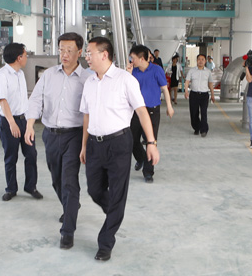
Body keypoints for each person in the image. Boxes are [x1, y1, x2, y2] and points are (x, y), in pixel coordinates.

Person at [80, 37, 160, 262]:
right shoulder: (89, 82)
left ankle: (105, 242)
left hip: (118, 144)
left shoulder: (126, 80)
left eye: (89, 53)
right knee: (94, 190)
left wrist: (151, 143)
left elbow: (142, 111)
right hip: (94, 144)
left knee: (117, 193)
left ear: (104, 55)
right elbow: (86, 116)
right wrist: (84, 145)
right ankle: (115, 213)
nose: (86, 57)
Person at [25, 33, 90, 250]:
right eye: (61, 50)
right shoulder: (49, 75)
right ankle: (71, 205)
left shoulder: (87, 79)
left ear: (79, 52)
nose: (64, 54)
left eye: (69, 50)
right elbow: (36, 99)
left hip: (74, 135)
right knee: (56, 180)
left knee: (69, 181)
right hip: (51, 135)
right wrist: (30, 125)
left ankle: (67, 231)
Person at [0, 43, 43, 202]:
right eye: (25, 55)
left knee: (31, 154)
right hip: (10, 122)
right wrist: (11, 123)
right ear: (18, 57)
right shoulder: (2, 75)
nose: (27, 58)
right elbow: (3, 101)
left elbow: (24, 101)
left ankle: (31, 186)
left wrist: (29, 124)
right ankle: (11, 189)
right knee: (11, 157)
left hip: (24, 120)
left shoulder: (20, 74)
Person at [126, 45, 174, 183]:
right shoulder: (133, 71)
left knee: (150, 141)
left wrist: (169, 106)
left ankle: (148, 172)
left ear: (141, 58)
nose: (131, 60)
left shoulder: (156, 70)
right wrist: (128, 74)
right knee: (132, 139)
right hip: (136, 111)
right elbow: (126, 88)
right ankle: (141, 157)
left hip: (152, 110)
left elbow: (164, 89)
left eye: (133, 58)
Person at [184, 54, 215, 137]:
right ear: (197, 60)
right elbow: (187, 81)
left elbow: (210, 83)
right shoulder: (192, 71)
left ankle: (204, 130)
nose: (200, 61)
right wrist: (186, 91)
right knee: (194, 113)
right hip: (194, 94)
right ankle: (196, 128)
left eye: (202, 59)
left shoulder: (208, 71)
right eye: (199, 59)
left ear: (205, 61)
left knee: (204, 113)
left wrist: (212, 94)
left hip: (204, 95)